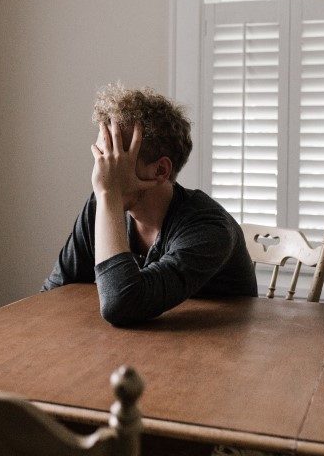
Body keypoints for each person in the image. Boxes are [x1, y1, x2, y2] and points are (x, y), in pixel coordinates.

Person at [42, 82, 257, 326]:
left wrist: (109, 195)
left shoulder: (209, 228)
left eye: (115, 158)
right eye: (101, 156)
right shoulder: (101, 205)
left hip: (218, 352)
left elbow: (122, 304)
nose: (101, 171)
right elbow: (53, 294)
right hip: (136, 347)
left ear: (160, 170)